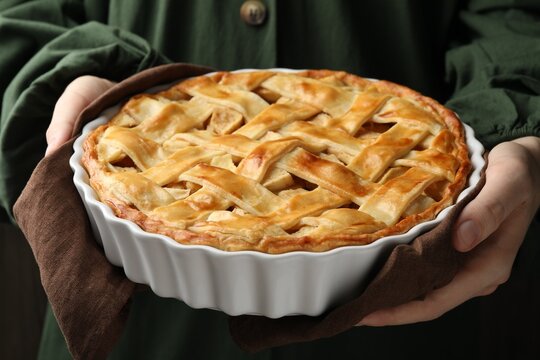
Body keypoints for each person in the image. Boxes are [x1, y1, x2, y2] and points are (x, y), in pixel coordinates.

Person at [1, 1, 539, 359]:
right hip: (145, 334)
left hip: (423, 320)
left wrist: (520, 122)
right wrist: (64, 73)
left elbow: (513, 12)